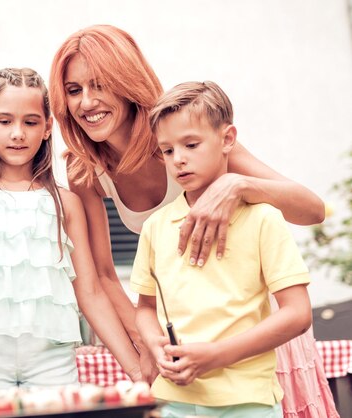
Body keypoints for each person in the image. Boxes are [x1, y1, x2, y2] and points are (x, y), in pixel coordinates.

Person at [49, 25, 338, 417]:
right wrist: (144, 355)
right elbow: (101, 277)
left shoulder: (183, 136)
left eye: (100, 84)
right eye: (73, 90)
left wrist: (237, 184)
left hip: (250, 336)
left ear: (126, 81)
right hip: (184, 345)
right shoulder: (84, 170)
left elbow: (312, 209)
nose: (87, 102)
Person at [0, 67, 141, 395]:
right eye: (5, 121)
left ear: (48, 127)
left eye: (31, 122)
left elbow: (91, 293)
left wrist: (135, 368)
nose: (18, 133)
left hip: (53, 365)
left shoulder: (67, 203)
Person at [131, 80, 313, 417]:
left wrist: (216, 356)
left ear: (227, 139)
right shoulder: (155, 227)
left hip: (246, 402)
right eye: (168, 151)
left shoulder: (264, 219)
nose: (178, 160)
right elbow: (144, 307)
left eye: (191, 144)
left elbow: (298, 314)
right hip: (172, 401)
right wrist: (154, 344)